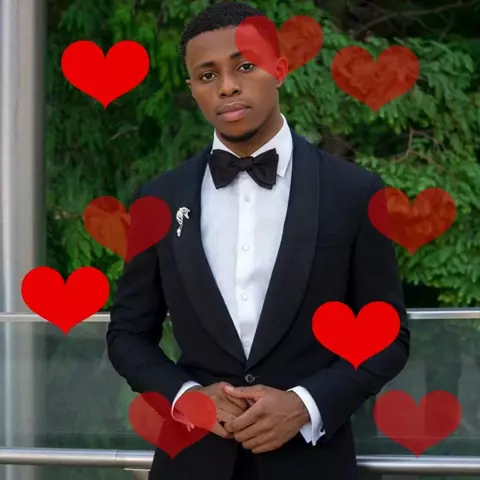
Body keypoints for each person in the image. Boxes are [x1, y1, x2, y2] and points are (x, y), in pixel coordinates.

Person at [106, 2, 410, 479]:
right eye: (207, 75)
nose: (227, 86)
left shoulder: (354, 191)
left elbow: (388, 336)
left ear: (280, 69)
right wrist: (188, 398)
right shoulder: (159, 198)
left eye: (244, 66)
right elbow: (127, 334)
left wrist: (305, 405)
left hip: (311, 464)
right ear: (193, 89)